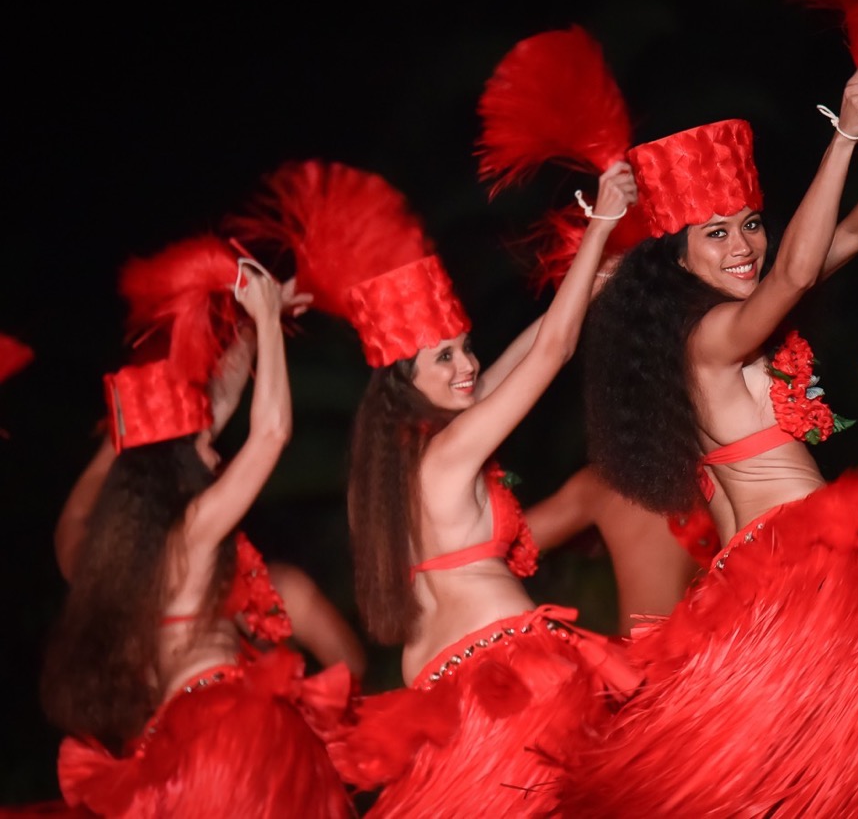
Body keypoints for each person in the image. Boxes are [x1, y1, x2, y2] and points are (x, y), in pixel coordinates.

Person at [543, 63, 858, 815]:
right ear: (677, 257)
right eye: (715, 233)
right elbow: (796, 272)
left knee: (817, 776)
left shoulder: (724, 325)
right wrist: (845, 135)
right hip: (803, 568)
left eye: (750, 223)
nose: (743, 245)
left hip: (766, 579)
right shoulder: (708, 337)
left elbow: (849, 233)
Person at [233, 158, 641, 817]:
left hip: (443, 701)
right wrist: (598, 226)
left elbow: (525, 352)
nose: (467, 365)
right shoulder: (449, 456)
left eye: (465, 346)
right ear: (404, 384)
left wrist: (592, 278)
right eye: (444, 357)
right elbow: (553, 352)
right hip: (513, 680)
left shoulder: (394, 474)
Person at [38, 262, 354, 818]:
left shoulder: (109, 558)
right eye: (203, 446)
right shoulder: (192, 531)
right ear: (177, 470)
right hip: (228, 720)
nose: (214, 450)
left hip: (173, 745)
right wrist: (268, 323)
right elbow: (272, 432)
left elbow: (213, 411)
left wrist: (251, 332)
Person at [53, 318, 367, 681]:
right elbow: (270, 432)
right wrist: (265, 316)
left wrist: (130, 424)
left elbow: (77, 515)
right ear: (178, 481)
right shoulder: (191, 540)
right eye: (204, 447)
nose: (216, 457)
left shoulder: (100, 570)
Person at [524, 464, 716, 636]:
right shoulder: (724, 479)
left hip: (646, 659)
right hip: (721, 655)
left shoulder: (607, 485)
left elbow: (512, 541)